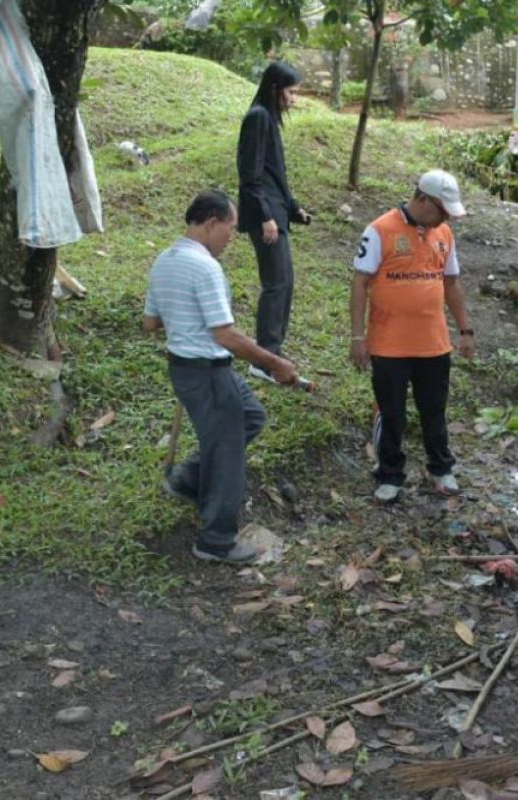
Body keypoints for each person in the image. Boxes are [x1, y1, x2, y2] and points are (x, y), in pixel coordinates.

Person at [143, 190, 301, 564]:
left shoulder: (164, 260)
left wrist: (181, 318)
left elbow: (149, 322)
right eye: (230, 229)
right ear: (212, 223)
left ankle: (187, 479)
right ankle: (215, 540)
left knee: (250, 416)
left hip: (186, 368)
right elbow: (225, 335)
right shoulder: (205, 267)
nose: (233, 237)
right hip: (206, 371)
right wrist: (274, 363)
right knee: (228, 454)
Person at [349, 170, 475, 503]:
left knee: (434, 408)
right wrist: (357, 336)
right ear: (421, 200)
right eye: (441, 210)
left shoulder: (443, 232)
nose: (445, 218)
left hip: (433, 343)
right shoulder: (380, 230)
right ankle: (389, 473)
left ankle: (440, 468)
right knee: (391, 411)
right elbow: (360, 283)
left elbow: (451, 283)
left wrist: (465, 329)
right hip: (389, 344)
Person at [236, 61, 312, 375]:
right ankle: (265, 359)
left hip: (275, 212)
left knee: (285, 282)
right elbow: (249, 174)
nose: (294, 98)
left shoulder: (268, 118)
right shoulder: (257, 118)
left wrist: (293, 207)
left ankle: (273, 351)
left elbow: (273, 174)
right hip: (264, 215)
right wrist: (266, 216)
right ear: (274, 89)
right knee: (276, 283)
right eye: (290, 92)